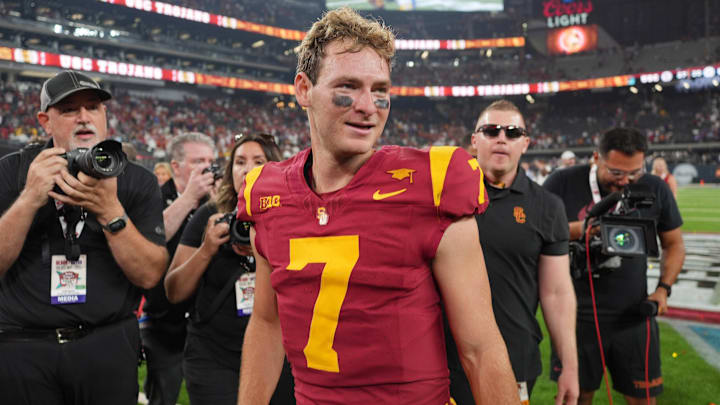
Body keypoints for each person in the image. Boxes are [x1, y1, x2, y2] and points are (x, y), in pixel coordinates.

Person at [236, 8, 518, 405]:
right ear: (303, 89)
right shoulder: (266, 192)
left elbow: (481, 347)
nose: (369, 106)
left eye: (380, 89)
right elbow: (266, 323)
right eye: (348, 86)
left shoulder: (434, 183)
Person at [0, 69, 168, 404]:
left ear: (106, 116)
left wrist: (110, 212)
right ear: (45, 121)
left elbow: (150, 273)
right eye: (69, 110)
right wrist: (31, 198)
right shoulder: (11, 171)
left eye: (93, 107)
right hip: (23, 349)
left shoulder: (137, 181)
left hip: (106, 346)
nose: (83, 117)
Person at [445, 100, 579, 405]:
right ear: (474, 141)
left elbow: (557, 292)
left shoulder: (547, 206)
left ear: (526, 143)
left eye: (513, 132)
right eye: (491, 131)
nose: (502, 138)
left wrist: (568, 365)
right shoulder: (442, 195)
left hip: (512, 357)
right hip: (441, 358)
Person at [543, 128, 686, 405]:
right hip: (575, 314)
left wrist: (663, 289)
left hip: (634, 313)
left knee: (642, 398)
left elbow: (674, 244)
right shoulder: (561, 182)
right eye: (617, 173)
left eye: (634, 173)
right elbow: (535, 233)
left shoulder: (654, 187)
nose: (625, 181)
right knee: (576, 397)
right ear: (597, 157)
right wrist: (587, 229)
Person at [164, 133, 295, 405]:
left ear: (275, 166)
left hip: (278, 354)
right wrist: (207, 248)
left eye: (259, 161)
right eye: (239, 162)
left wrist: (267, 249)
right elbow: (173, 291)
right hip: (214, 356)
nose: (247, 169)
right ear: (230, 170)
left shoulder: (293, 216)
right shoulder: (209, 215)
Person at [142, 132, 217, 405]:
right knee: (164, 396)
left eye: (211, 160)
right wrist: (189, 197)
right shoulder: (152, 195)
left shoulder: (216, 201)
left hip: (207, 323)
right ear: (176, 167)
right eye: (199, 161)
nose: (207, 167)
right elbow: (149, 236)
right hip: (165, 323)